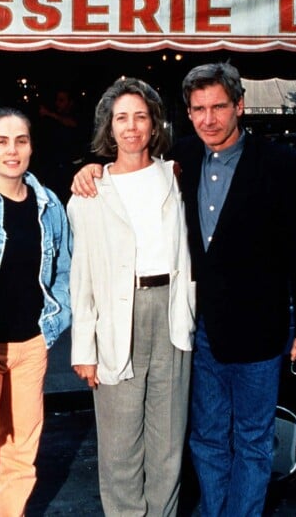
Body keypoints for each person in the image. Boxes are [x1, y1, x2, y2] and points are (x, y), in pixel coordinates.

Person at [71, 62, 296, 516]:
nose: (209, 118)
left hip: (258, 331)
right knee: (204, 439)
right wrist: (89, 170)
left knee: (250, 440)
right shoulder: (181, 164)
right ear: (187, 115)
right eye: (198, 109)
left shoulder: (279, 164)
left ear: (240, 107)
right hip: (196, 328)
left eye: (219, 107)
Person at [67, 77, 196, 516]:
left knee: (168, 446)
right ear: (110, 126)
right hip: (117, 321)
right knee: (120, 449)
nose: (132, 126)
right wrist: (84, 348)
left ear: (154, 123)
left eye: (141, 116)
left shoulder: (176, 176)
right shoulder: (90, 192)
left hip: (172, 316)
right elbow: (80, 276)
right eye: (122, 117)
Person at [0, 107, 72, 516]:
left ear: (31, 147)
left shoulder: (48, 204)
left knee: (19, 455)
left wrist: (52, 327)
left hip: (30, 347)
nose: (12, 151)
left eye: (21, 141)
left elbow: (65, 268)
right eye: (2, 141)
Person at [36, 88, 87, 204]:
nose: (57, 103)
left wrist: (49, 114)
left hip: (75, 171)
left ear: (71, 103)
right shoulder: (51, 122)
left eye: (62, 100)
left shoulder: (79, 116)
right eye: (57, 100)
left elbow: (72, 124)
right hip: (58, 173)